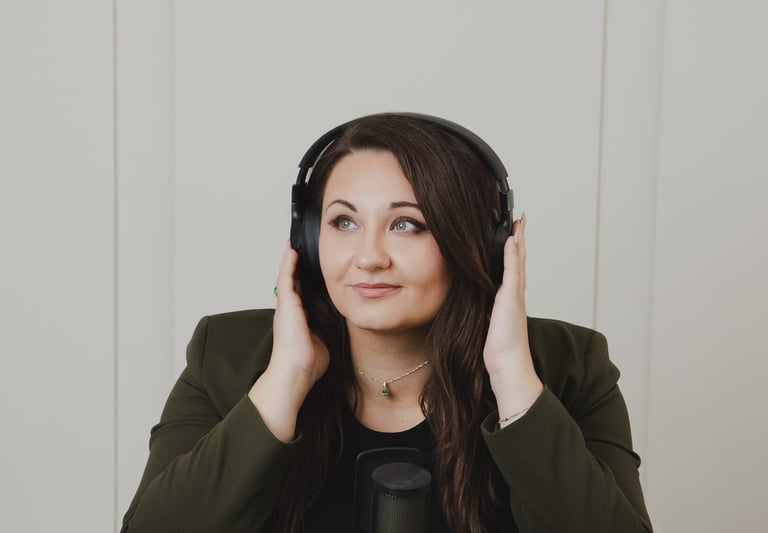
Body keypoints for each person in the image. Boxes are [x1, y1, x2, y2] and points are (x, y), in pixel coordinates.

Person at [121, 113, 653, 532]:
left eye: (406, 224)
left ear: (482, 246)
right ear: (308, 240)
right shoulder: (225, 356)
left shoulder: (572, 367)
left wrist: (512, 375)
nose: (368, 257)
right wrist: (285, 379)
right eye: (343, 222)